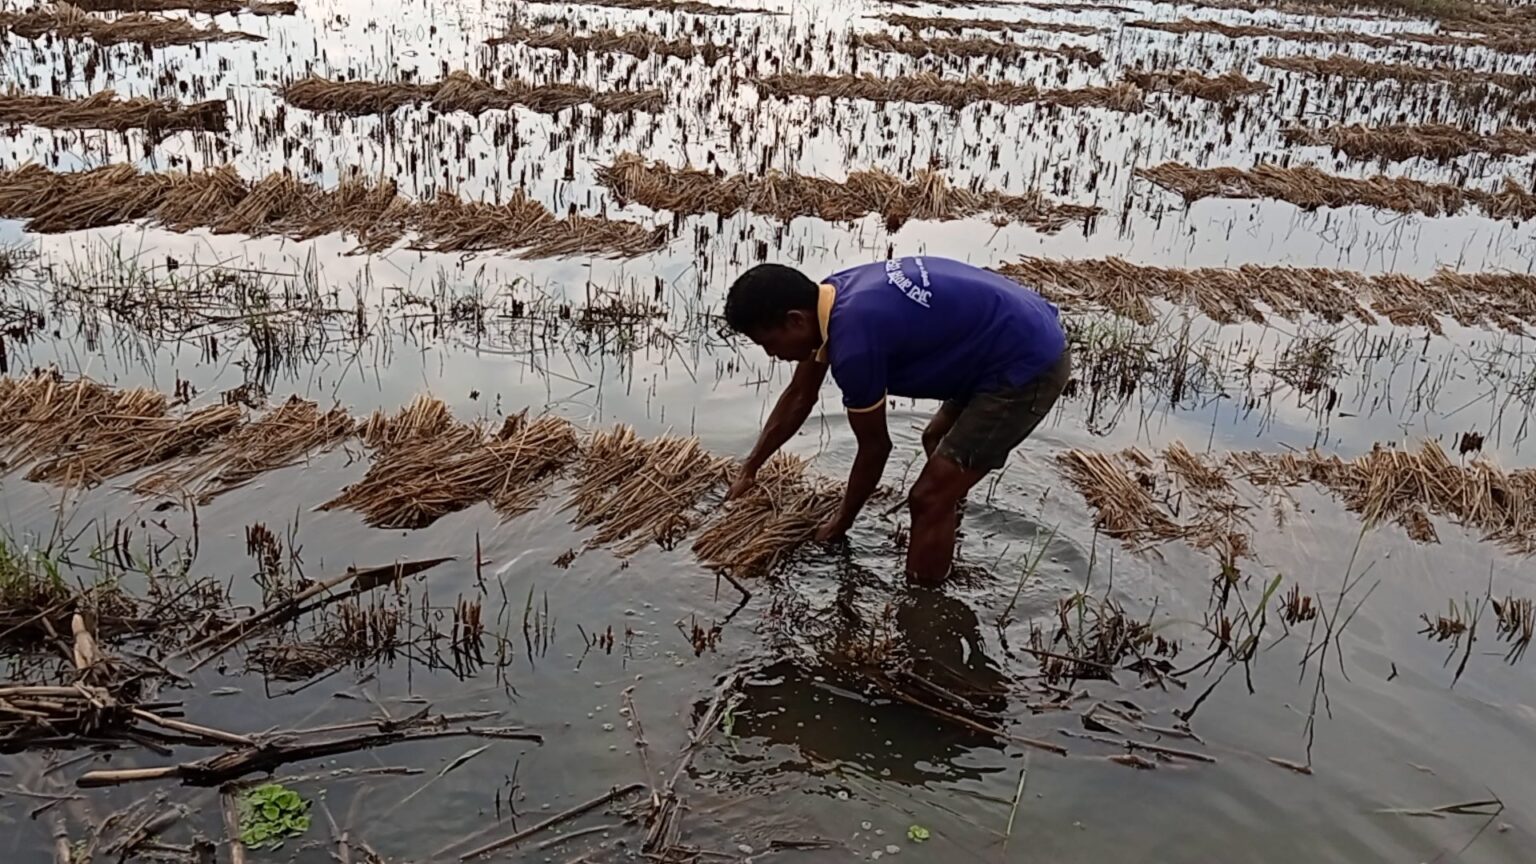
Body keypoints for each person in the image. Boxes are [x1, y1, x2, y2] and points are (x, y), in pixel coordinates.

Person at [723, 256, 1070, 586]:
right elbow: (800, 395)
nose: (772, 355)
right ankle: (946, 532)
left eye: (769, 343)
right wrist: (750, 468)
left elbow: (875, 449)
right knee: (936, 441)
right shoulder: (833, 296)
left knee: (929, 497)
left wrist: (840, 522)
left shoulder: (855, 343)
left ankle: (924, 603)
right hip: (1005, 335)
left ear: (795, 320)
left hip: (1026, 365)